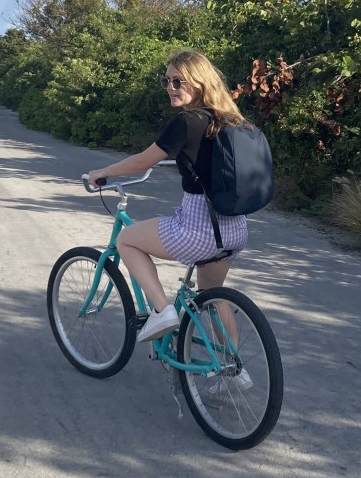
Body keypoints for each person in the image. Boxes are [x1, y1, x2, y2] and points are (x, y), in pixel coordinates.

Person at [87, 49, 249, 345]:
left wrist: (102, 171)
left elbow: (141, 162)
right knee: (211, 297)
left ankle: (162, 311)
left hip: (200, 229)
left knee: (126, 240)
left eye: (178, 82)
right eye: (167, 82)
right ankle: (234, 370)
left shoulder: (189, 121)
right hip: (234, 228)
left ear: (198, 82)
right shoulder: (232, 120)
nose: (170, 88)